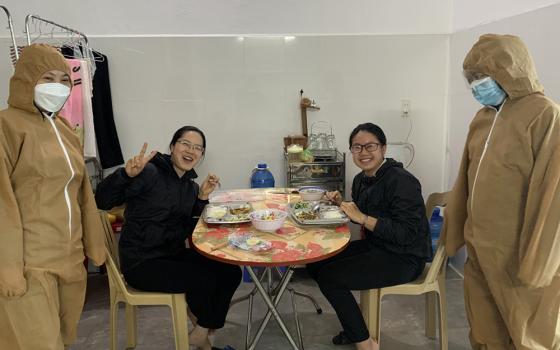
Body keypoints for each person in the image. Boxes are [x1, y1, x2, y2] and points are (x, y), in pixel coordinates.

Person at [442, 34, 560, 350]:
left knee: (529, 333)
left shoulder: (544, 115)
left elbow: (554, 194)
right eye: (472, 78)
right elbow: (466, 178)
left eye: (483, 76)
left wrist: (539, 259)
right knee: (484, 329)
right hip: (480, 246)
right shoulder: (482, 118)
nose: (477, 85)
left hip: (520, 251)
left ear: (510, 71)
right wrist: (456, 228)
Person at [95, 126, 241, 350]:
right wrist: (125, 175)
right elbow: (101, 201)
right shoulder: (149, 172)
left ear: (201, 155)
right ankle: (203, 335)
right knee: (204, 279)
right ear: (172, 147)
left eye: (197, 147)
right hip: (141, 262)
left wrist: (201, 198)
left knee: (230, 271)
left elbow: (191, 233)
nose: (191, 150)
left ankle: (201, 332)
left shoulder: (191, 188)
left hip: (170, 255)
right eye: (185, 144)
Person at [0, 44, 106, 350]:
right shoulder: (7, 125)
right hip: (30, 265)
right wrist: (7, 269)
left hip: (71, 261)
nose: (57, 87)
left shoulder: (64, 129)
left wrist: (94, 246)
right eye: (48, 77)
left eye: (64, 80)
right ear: (26, 79)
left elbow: (83, 192)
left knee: (63, 338)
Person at [307, 123, 431, 350]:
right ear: (352, 151)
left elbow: (406, 233)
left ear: (383, 148)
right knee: (316, 264)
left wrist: (362, 217)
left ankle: (366, 344)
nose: (363, 153)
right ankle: (355, 326)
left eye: (370, 146)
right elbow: (360, 215)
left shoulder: (401, 180)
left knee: (330, 278)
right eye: (357, 147)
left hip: (404, 257)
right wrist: (340, 204)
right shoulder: (361, 180)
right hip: (377, 246)